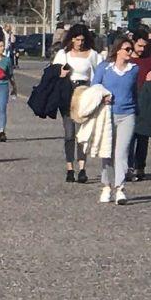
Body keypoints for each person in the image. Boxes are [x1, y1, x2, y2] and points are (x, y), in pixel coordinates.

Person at [91, 37, 139, 205]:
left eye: (131, 50)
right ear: (118, 50)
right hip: (108, 115)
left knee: (122, 153)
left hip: (128, 115)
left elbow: (135, 91)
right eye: (127, 49)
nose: (130, 52)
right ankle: (106, 186)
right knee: (107, 152)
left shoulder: (134, 69)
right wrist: (103, 97)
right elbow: (94, 87)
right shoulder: (104, 68)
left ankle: (120, 188)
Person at [52, 25, 101, 183]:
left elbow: (99, 73)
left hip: (84, 93)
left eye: (82, 39)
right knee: (69, 133)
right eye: (77, 39)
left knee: (82, 134)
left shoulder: (92, 55)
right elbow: (53, 71)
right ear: (71, 39)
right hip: (67, 92)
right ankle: (69, 168)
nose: (80, 42)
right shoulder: (63, 54)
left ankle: (82, 168)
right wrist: (60, 73)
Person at [127, 32, 151, 181]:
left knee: (143, 135)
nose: (142, 49)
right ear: (132, 42)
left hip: (146, 100)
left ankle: (140, 167)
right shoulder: (127, 58)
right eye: (139, 46)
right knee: (129, 136)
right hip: (129, 98)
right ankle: (128, 166)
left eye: (145, 46)